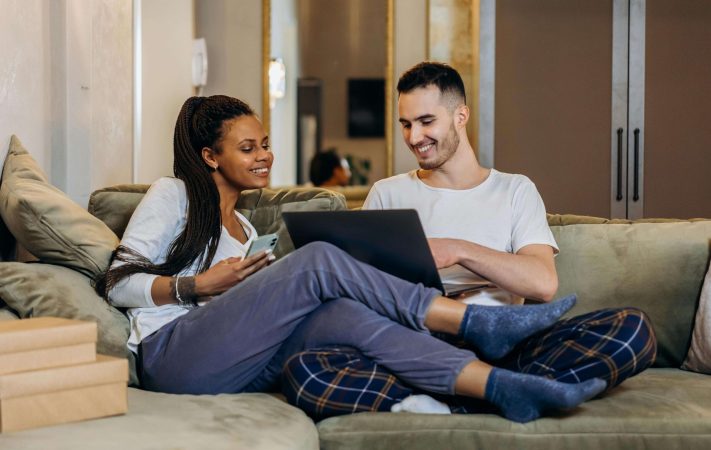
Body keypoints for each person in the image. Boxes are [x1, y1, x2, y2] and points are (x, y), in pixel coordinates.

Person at [94, 94, 607, 425]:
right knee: (319, 259)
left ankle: (502, 388)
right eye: (248, 148)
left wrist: (257, 292)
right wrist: (196, 286)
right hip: (172, 356)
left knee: (339, 314)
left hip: (232, 361)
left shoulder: (247, 228)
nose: (264, 156)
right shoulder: (173, 195)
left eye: (265, 145)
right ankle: (473, 322)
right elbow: (116, 283)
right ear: (210, 157)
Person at [282, 63, 657, 419]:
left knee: (632, 329)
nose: (414, 137)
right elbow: (359, 296)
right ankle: (501, 394)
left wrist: (459, 250)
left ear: (461, 116)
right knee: (304, 370)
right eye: (406, 124)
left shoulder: (514, 189)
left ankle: (450, 400)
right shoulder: (387, 193)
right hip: (415, 350)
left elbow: (543, 284)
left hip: (506, 348)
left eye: (427, 122)